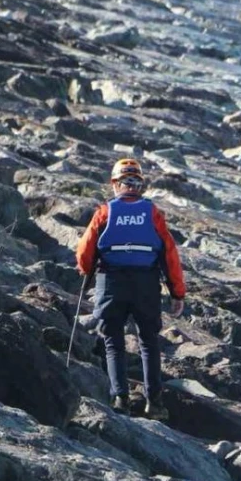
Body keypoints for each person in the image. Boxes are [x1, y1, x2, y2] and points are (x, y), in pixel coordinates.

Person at [76, 158, 186, 420]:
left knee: (113, 341)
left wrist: (87, 272)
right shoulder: (152, 213)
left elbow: (84, 253)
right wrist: (177, 292)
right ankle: (155, 403)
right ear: (140, 186)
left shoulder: (105, 211)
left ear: (115, 184)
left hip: (111, 282)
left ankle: (120, 399)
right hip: (146, 284)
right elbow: (169, 254)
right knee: (148, 342)